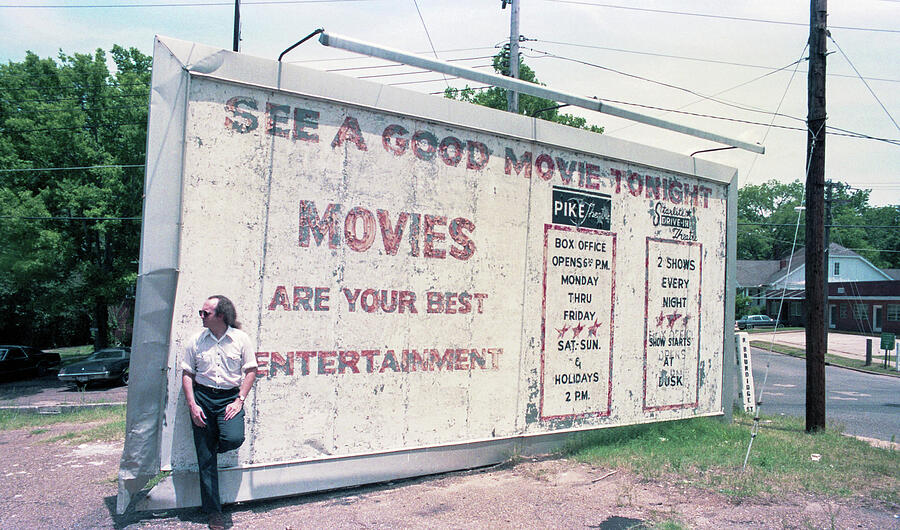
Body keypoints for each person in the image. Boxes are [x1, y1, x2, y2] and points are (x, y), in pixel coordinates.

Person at [181, 295, 257, 530]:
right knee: (206, 461)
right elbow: (187, 374)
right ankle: (214, 513)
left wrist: (239, 400)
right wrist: (192, 405)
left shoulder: (240, 339)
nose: (201, 317)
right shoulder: (196, 340)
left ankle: (213, 443)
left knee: (234, 438)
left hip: (228, 398)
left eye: (206, 313)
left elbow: (251, 370)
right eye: (201, 313)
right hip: (202, 397)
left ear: (221, 316)